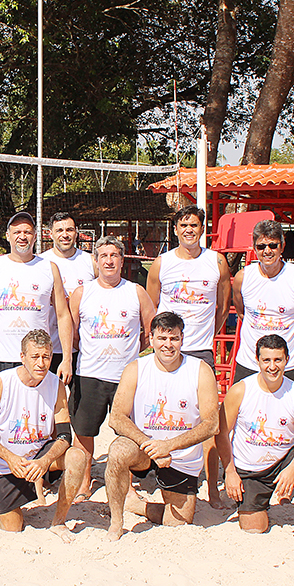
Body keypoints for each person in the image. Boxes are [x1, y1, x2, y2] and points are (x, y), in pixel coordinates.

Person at [103, 312, 219, 539]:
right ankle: (116, 522)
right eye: (162, 338)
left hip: (180, 455)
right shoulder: (136, 368)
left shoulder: (200, 370)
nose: (168, 345)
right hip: (143, 449)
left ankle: (136, 506)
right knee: (117, 451)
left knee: (180, 520)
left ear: (182, 339)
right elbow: (116, 417)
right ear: (152, 339)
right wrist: (150, 444)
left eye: (173, 338)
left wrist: (169, 446)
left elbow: (212, 424)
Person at [215, 335, 294, 545]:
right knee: (254, 528)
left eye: (278, 360)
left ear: (287, 360)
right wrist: (230, 471)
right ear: (258, 360)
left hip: (283, 459)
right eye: (267, 360)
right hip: (250, 468)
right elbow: (221, 433)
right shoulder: (241, 390)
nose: (272, 366)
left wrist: (293, 468)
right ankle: (265, 500)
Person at [146, 204, 230, 508]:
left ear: (201, 227)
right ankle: (153, 476)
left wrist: (206, 334)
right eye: (183, 225)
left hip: (199, 351)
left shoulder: (216, 262)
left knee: (208, 422)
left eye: (194, 225)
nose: (189, 230)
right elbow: (151, 305)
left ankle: (212, 489)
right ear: (176, 229)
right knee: (159, 413)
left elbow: (223, 306)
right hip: (167, 350)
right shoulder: (162, 263)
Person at [0, 329, 87, 541]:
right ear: (22, 357)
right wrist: (10, 458)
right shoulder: (1, 383)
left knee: (77, 456)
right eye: (35, 356)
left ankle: (59, 521)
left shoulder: (56, 385)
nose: (41, 363)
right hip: (8, 462)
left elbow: (65, 435)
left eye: (46, 356)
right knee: (13, 528)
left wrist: (45, 461)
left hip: (39, 455)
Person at [67, 237, 155, 501]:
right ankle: (84, 482)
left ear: (122, 259)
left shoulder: (136, 291)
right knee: (83, 433)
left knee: (127, 433)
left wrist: (135, 352)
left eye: (114, 255)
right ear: (96, 260)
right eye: (103, 255)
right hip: (89, 374)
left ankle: (125, 484)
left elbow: (150, 327)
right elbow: (72, 333)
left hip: (125, 377)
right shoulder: (83, 293)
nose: (108, 261)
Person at [0, 211, 74, 383]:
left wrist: (67, 359)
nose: (22, 236)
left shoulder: (49, 268)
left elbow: (63, 315)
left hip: (38, 359)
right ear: (8, 235)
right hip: (1, 359)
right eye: (17, 232)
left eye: (27, 232)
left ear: (35, 236)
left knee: (38, 409)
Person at [233, 219, 294, 386]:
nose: (267, 251)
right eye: (261, 246)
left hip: (288, 365)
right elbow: (242, 313)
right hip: (250, 364)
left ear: (282, 246)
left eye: (273, 245)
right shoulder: (243, 278)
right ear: (254, 248)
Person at [40, 212, 96, 381]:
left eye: (69, 230)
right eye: (59, 230)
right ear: (51, 234)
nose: (65, 234)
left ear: (76, 233)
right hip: (49, 347)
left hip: (82, 348)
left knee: (76, 404)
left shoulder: (90, 261)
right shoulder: (41, 262)